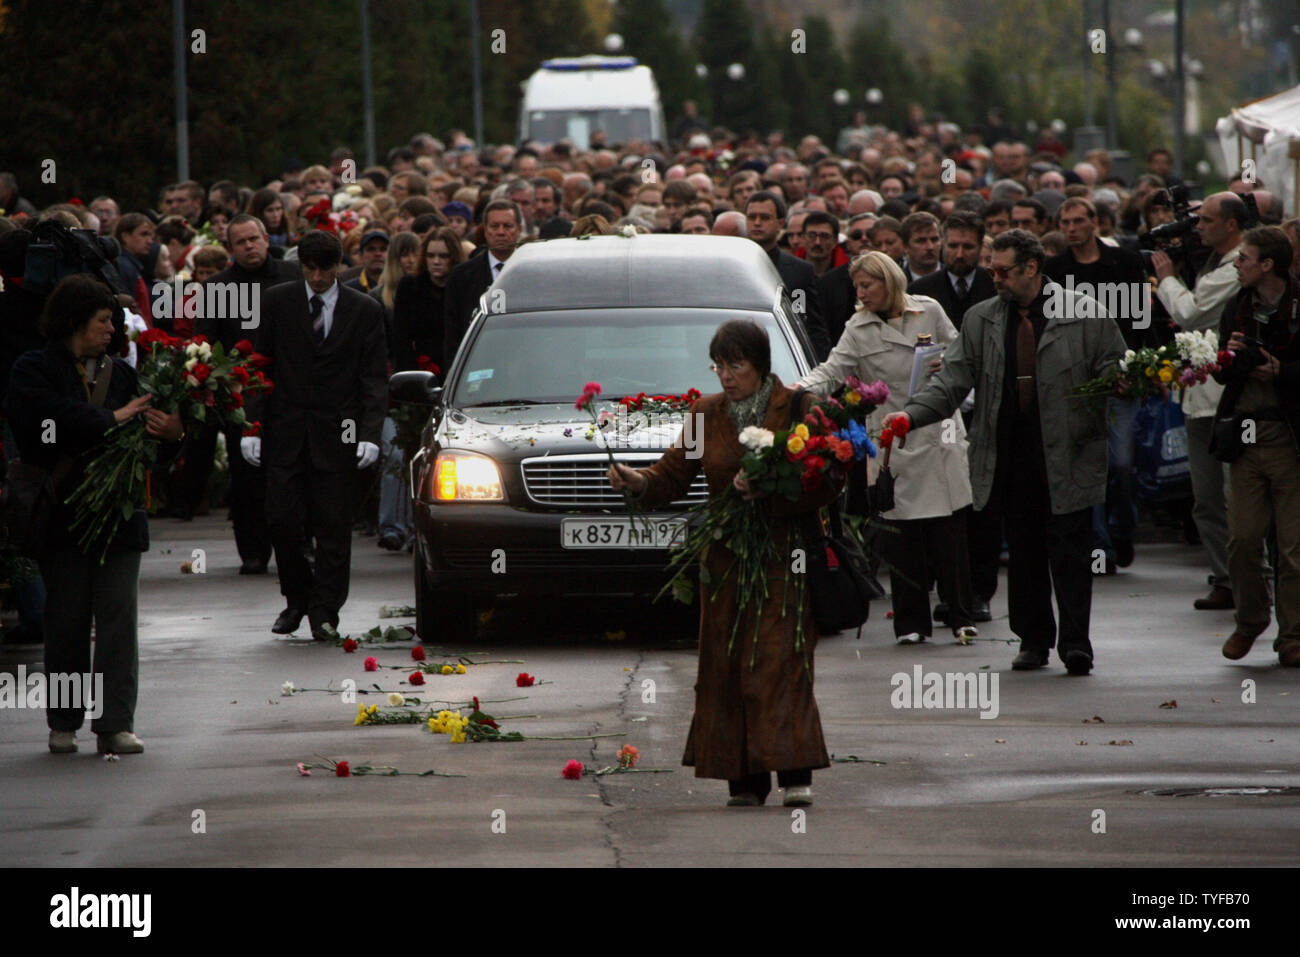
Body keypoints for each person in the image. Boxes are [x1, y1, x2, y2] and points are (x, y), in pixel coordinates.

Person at [608, 320, 838, 807]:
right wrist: (638, 482)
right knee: (727, 663)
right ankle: (745, 781)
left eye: (736, 365)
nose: (726, 376)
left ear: (760, 366)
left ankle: (795, 772)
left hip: (784, 552)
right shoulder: (704, 415)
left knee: (782, 661)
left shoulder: (799, 408)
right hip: (726, 558)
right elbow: (674, 473)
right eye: (719, 366)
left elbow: (829, 479)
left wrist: (772, 488)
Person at [886, 230, 1126, 675]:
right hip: (1009, 454)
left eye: (1001, 270)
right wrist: (911, 416)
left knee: (1071, 552)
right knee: (1024, 551)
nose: (993, 277)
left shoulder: (1085, 313)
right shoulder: (982, 320)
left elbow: (1116, 366)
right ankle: (1033, 641)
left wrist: (1125, 382)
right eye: (990, 269)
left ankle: (1076, 644)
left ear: (1031, 268)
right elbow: (951, 380)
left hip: (1069, 452)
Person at [6, 275, 182, 754]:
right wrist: (113, 418)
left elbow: (150, 447)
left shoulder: (123, 374)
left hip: (120, 516)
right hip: (61, 515)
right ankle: (63, 722)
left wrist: (172, 434)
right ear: (75, 321)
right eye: (103, 320)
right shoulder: (33, 369)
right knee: (65, 622)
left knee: (119, 619)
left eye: (113, 321)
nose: (111, 330)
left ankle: (115, 723)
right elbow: (43, 426)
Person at [800, 252, 977, 643]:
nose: (861, 294)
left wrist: (943, 362)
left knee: (949, 533)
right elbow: (832, 370)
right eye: (857, 287)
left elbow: (962, 354)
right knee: (901, 535)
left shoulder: (928, 310)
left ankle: (961, 615)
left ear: (890, 281)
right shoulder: (857, 327)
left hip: (937, 432)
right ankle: (911, 624)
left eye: (868, 285)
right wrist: (796, 391)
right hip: (892, 439)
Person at [242, 230, 388, 640]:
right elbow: (259, 365)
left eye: (326, 270)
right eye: (311, 270)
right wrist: (251, 426)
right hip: (285, 430)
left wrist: (370, 434)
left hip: (338, 434)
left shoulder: (364, 309)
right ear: (301, 266)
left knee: (334, 528)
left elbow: (373, 377)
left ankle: (325, 612)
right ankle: (297, 599)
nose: (319, 278)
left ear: (339, 266)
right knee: (282, 522)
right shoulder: (277, 301)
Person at [1152, 192, 1247, 609]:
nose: (1199, 227)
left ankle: (1249, 582)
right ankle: (1226, 579)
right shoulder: (1211, 261)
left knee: (1234, 500)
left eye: (1207, 220)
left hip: (1226, 399)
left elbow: (1191, 313)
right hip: (1198, 397)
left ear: (1231, 224)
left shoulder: (1238, 265)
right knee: (1206, 499)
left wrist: (1166, 278)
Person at [1046, 196, 1151, 573]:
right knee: (1087, 466)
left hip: (1120, 378)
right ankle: (1099, 547)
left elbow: (1140, 322)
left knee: (1121, 463)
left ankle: (1122, 529)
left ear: (1095, 222)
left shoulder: (1125, 262)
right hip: (1075, 385)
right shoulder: (1054, 269)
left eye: (1078, 221)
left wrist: (1137, 372)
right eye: (1065, 222)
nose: (1071, 229)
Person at [1213, 227, 1300, 666]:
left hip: (1289, 436)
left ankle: (1293, 637)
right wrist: (1227, 358)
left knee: (1292, 546)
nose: (1237, 264)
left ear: (1267, 265)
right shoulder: (1237, 308)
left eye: (1244, 258)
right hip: (1245, 435)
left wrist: (1281, 371)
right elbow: (1222, 375)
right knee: (1244, 539)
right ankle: (1250, 620)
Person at [744, 191, 830, 360]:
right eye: (752, 217)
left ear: (780, 223)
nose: (757, 223)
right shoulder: (734, 265)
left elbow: (808, 323)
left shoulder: (798, 272)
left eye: (765, 217)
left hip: (785, 358)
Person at [443, 199, 522, 362]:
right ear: (485, 230)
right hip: (476, 361)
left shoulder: (530, 273)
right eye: (494, 226)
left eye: (507, 226)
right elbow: (452, 333)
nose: (501, 232)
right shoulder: (462, 276)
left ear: (519, 230)